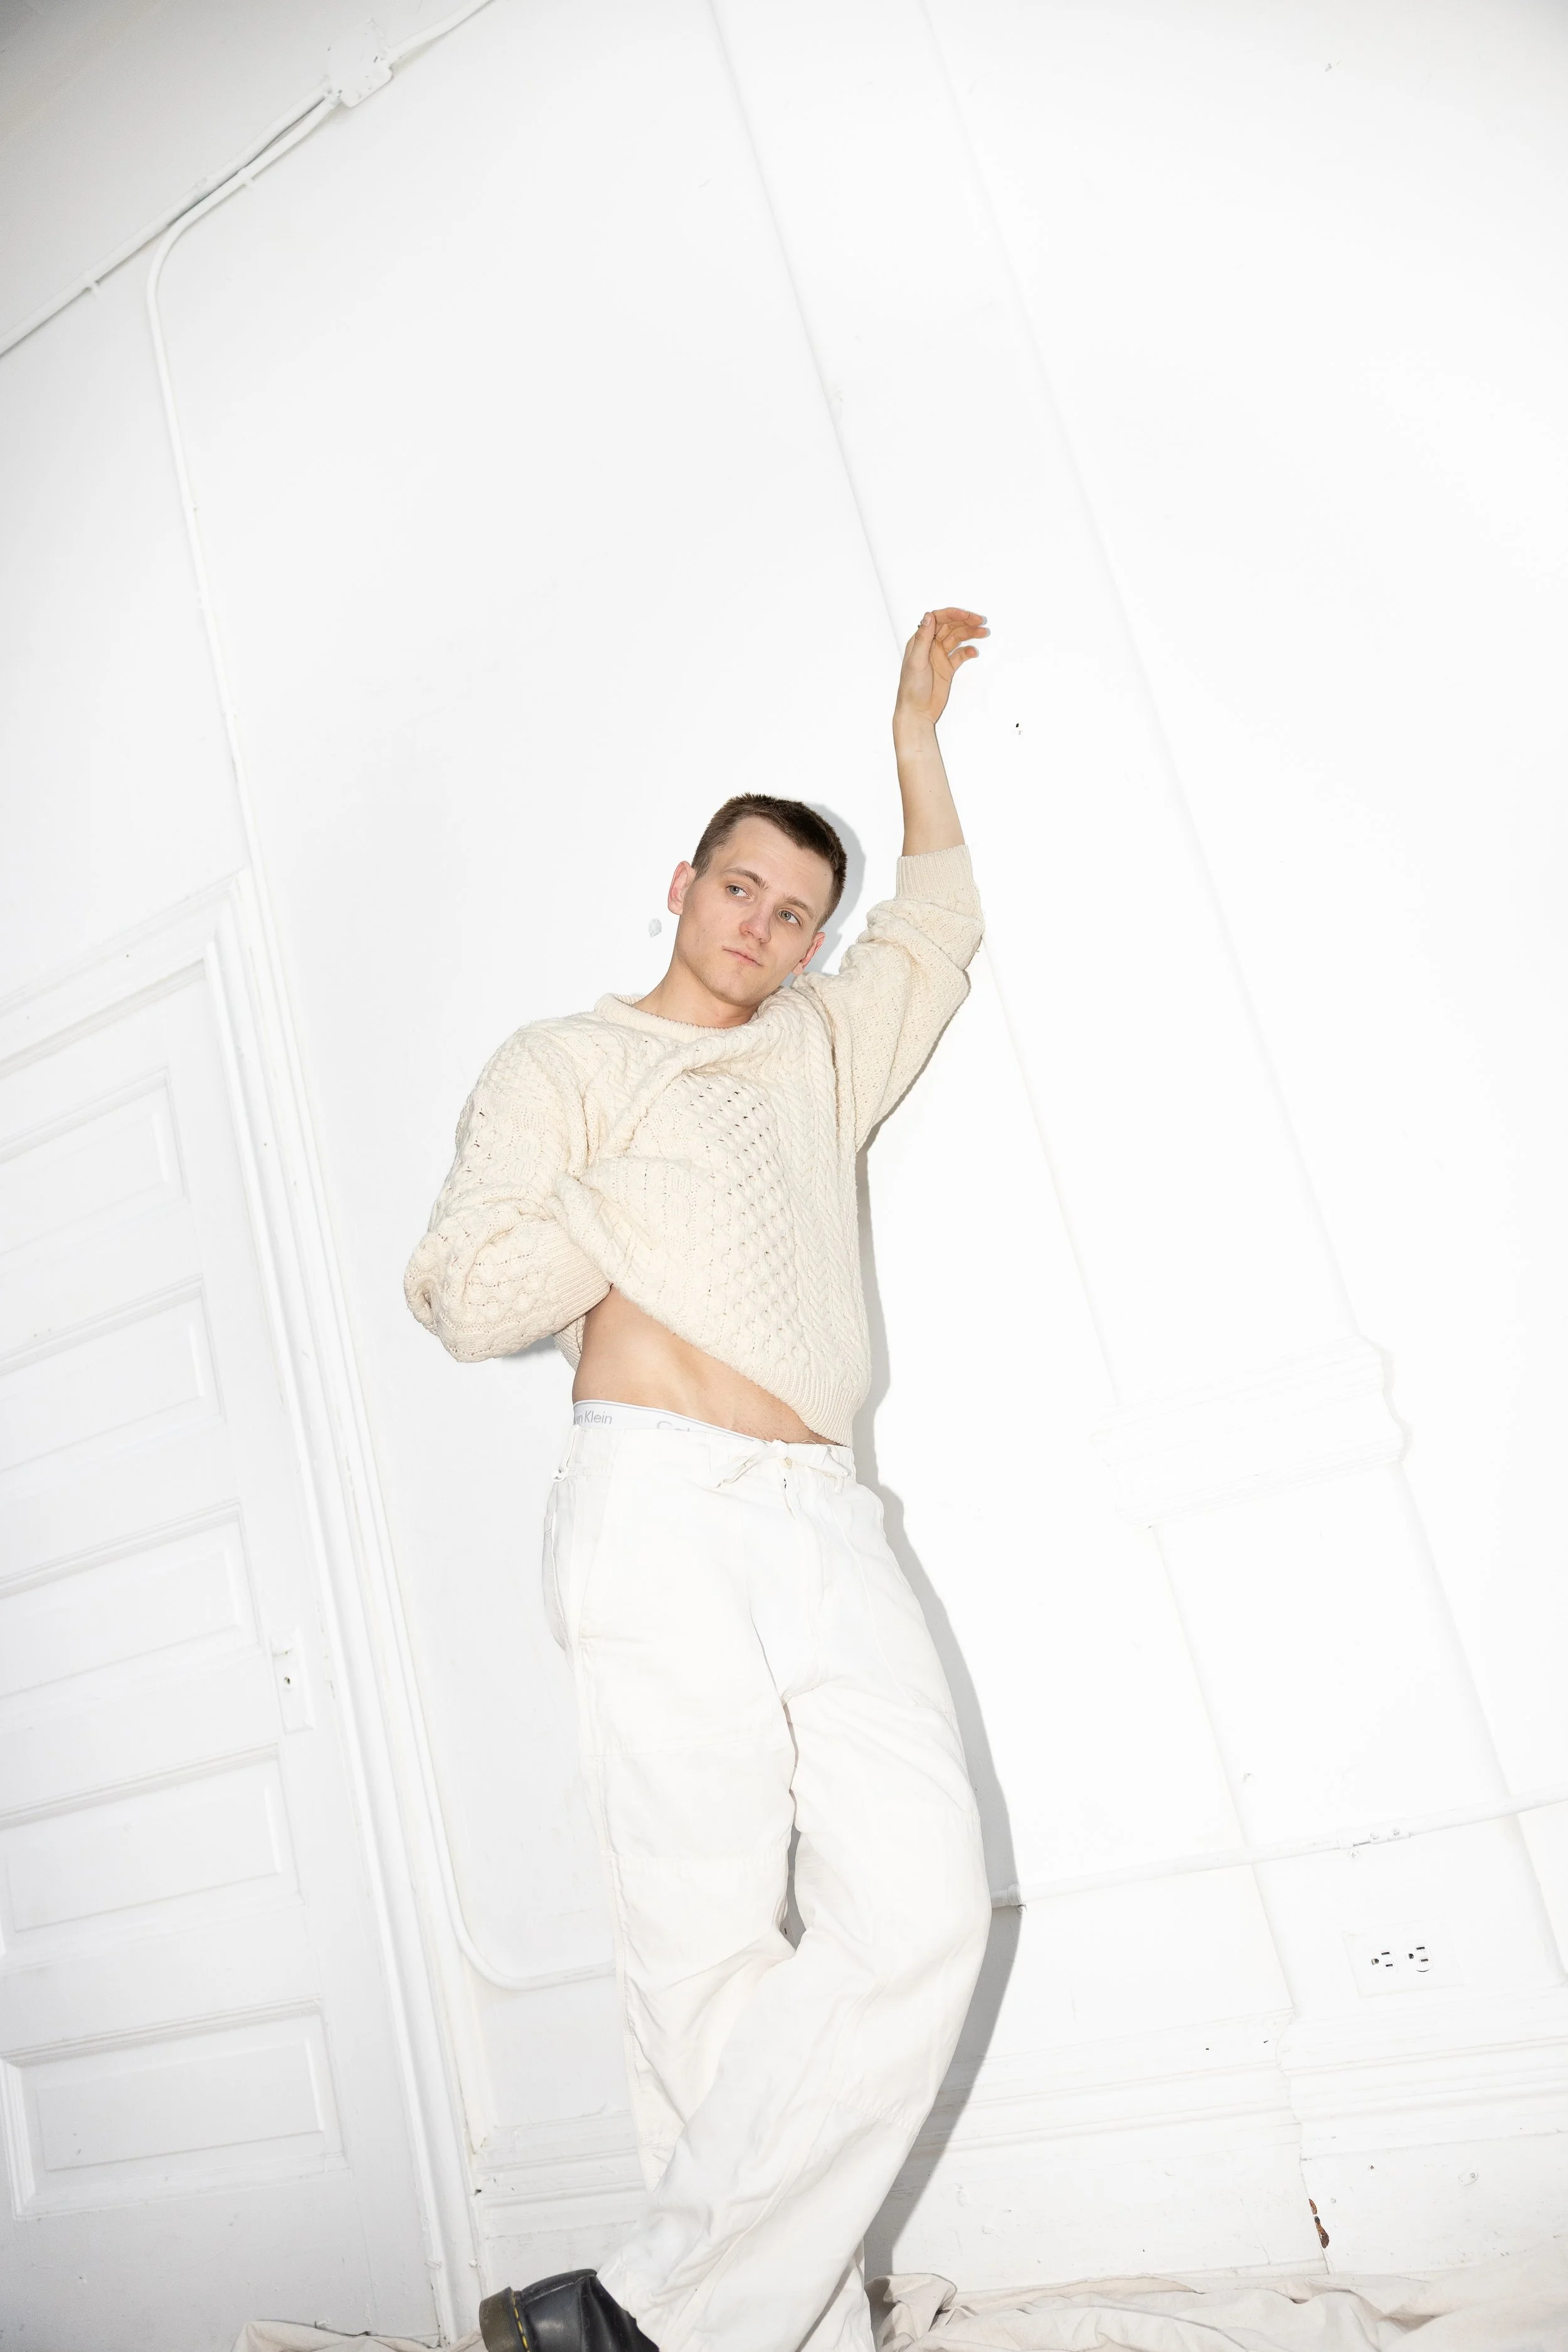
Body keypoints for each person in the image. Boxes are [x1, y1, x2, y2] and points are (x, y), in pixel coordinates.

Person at [405, 608, 995, 2352]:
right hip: (651, 1507)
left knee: (923, 1902)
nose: (768, 923)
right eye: (743, 886)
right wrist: (617, 1196)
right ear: (681, 885)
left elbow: (942, 929)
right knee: (698, 1956)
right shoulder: (567, 1066)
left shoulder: (818, 1051)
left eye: (798, 909)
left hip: (822, 1511)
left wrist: (915, 736)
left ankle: (641, 2315)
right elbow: (460, 1292)